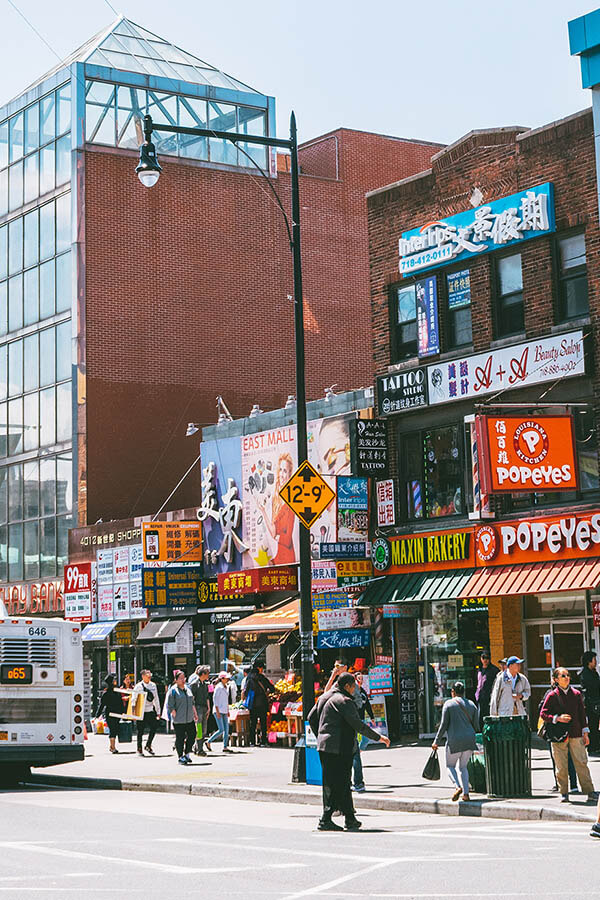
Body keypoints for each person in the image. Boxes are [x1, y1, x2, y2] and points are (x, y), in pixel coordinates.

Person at [308, 672, 390, 832]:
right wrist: (378, 737)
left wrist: (321, 735)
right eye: (353, 687)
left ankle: (350, 818)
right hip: (340, 747)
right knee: (338, 782)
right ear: (347, 686)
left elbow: (311, 717)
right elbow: (358, 725)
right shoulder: (344, 701)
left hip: (326, 746)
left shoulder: (325, 697)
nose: (354, 691)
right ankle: (326, 819)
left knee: (339, 782)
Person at [540, 667, 597, 804]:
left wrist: (586, 733)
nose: (567, 678)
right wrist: (557, 718)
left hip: (576, 733)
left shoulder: (576, 694)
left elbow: (582, 715)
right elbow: (543, 714)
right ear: (556, 680)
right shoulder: (552, 695)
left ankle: (589, 791)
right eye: (563, 675)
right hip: (559, 736)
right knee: (561, 766)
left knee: (581, 763)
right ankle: (564, 793)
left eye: (568, 675)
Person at [432, 681, 479, 802]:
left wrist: (436, 741)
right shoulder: (472, 704)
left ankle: (457, 787)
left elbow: (443, 725)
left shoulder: (448, 704)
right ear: (463, 692)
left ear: (453, 692)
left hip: (454, 741)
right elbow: (476, 726)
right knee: (463, 767)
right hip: (469, 740)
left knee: (450, 766)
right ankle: (466, 794)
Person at [255, 453, 295, 564]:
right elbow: (273, 533)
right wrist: (263, 511)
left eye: (285, 471)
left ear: (290, 474)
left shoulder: (292, 500)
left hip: (288, 556)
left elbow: (287, 540)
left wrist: (278, 537)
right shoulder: (276, 499)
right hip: (278, 555)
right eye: (280, 470)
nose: (282, 474)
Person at [166, 671, 198, 765]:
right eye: (180, 678)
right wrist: (174, 714)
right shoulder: (173, 690)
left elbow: (192, 702)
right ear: (176, 680)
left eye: (184, 678)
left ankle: (187, 753)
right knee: (180, 738)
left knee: (192, 735)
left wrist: (195, 713)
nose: (183, 680)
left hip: (189, 718)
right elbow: (170, 705)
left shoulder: (188, 689)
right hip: (179, 719)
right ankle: (180, 756)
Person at [352, 671, 374, 793]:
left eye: (362, 678)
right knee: (354, 749)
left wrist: (372, 716)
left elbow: (367, 704)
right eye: (358, 678)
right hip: (355, 720)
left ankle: (358, 751)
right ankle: (357, 782)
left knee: (366, 739)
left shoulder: (362, 691)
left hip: (362, 719)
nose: (361, 681)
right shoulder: (353, 692)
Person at [244, 663, 276, 746]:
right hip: (262, 704)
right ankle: (263, 741)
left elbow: (246, 691)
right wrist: (267, 692)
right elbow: (272, 688)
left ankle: (252, 742)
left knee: (253, 723)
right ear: (258, 668)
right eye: (261, 668)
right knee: (263, 723)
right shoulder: (262, 678)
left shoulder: (249, 678)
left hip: (252, 704)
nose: (262, 670)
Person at [131, 670, 161, 756]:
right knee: (140, 731)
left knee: (154, 727)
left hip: (150, 710)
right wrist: (133, 712)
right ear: (143, 676)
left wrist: (158, 711)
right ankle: (139, 748)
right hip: (141, 711)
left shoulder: (153, 685)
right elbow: (134, 699)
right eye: (147, 674)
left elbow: (156, 698)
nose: (149, 676)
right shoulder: (138, 686)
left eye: (150, 674)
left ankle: (148, 745)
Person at [94, 674, 124, 754]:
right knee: (113, 730)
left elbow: (102, 705)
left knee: (113, 729)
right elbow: (120, 703)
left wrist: (97, 715)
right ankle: (113, 747)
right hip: (113, 714)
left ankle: (112, 746)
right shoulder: (114, 692)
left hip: (113, 713)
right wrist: (97, 715)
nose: (115, 681)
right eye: (114, 680)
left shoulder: (109, 693)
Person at [205, 672, 233, 753]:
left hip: (224, 710)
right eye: (226, 678)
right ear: (222, 679)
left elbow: (226, 700)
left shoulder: (226, 687)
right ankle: (209, 741)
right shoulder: (218, 687)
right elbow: (215, 699)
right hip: (218, 710)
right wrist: (217, 711)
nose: (227, 679)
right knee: (221, 729)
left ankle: (225, 746)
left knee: (226, 730)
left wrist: (228, 710)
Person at [579, 651, 600, 755]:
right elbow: (591, 688)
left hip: (595, 702)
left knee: (595, 725)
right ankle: (593, 747)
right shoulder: (585, 674)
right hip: (591, 704)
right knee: (592, 725)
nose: (595, 662)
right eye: (594, 660)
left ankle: (595, 745)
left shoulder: (593, 672)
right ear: (589, 661)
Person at [188, 665, 211, 756]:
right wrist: (194, 712)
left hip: (204, 708)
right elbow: (192, 699)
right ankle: (199, 749)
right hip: (197, 708)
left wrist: (209, 708)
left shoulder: (205, 684)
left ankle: (197, 747)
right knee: (199, 729)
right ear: (203, 674)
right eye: (207, 673)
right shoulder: (194, 684)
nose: (208, 675)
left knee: (204, 729)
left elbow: (207, 697)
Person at [475, 652, 499, 722]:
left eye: (487, 658)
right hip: (480, 697)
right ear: (481, 659)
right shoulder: (479, 669)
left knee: (489, 717)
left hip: (489, 697)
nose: (485, 660)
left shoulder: (494, 670)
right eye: (483, 658)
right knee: (480, 717)